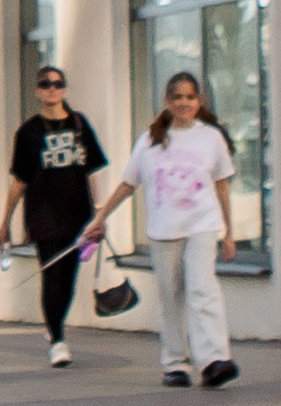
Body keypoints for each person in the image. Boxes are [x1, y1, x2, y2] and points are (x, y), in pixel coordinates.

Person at [87, 70, 239, 388]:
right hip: (164, 231)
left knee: (203, 290)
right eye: (178, 97)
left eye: (190, 97)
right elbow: (128, 184)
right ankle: (175, 363)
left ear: (199, 101)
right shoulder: (150, 141)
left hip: (202, 226)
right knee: (170, 296)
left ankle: (214, 360)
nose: (184, 103)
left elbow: (222, 186)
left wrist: (228, 232)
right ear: (167, 101)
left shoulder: (211, 137)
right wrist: (99, 219)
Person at [0, 63, 108, 365]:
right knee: (51, 275)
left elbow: (92, 173)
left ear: (65, 89)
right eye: (45, 84)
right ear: (37, 91)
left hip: (77, 213)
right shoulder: (28, 132)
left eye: (57, 84)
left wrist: (99, 215)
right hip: (43, 215)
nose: (52, 89)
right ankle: (58, 340)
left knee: (68, 278)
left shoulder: (80, 125)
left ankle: (54, 325)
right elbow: (19, 180)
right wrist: (4, 221)